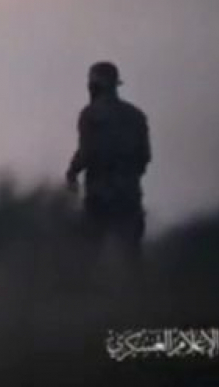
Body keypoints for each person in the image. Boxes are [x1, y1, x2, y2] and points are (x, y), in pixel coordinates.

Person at [66, 62, 151, 284]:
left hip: (99, 194)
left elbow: (86, 152)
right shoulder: (136, 116)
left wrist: (72, 173)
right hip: (129, 194)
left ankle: (88, 295)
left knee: (89, 254)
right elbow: (145, 157)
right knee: (132, 256)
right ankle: (139, 296)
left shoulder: (90, 115)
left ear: (95, 85)